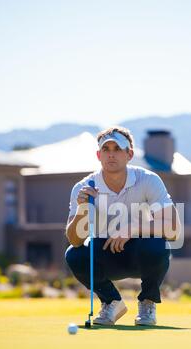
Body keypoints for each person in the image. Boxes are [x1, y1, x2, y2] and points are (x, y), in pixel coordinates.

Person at [65, 126, 181, 326]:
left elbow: (173, 229)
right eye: (106, 150)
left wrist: (133, 228)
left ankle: (147, 301)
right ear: (98, 155)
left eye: (117, 149)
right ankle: (112, 302)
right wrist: (83, 209)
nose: (111, 154)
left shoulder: (148, 180)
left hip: (140, 254)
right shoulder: (84, 187)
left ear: (130, 154)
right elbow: (74, 239)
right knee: (74, 254)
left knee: (158, 244)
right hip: (104, 255)